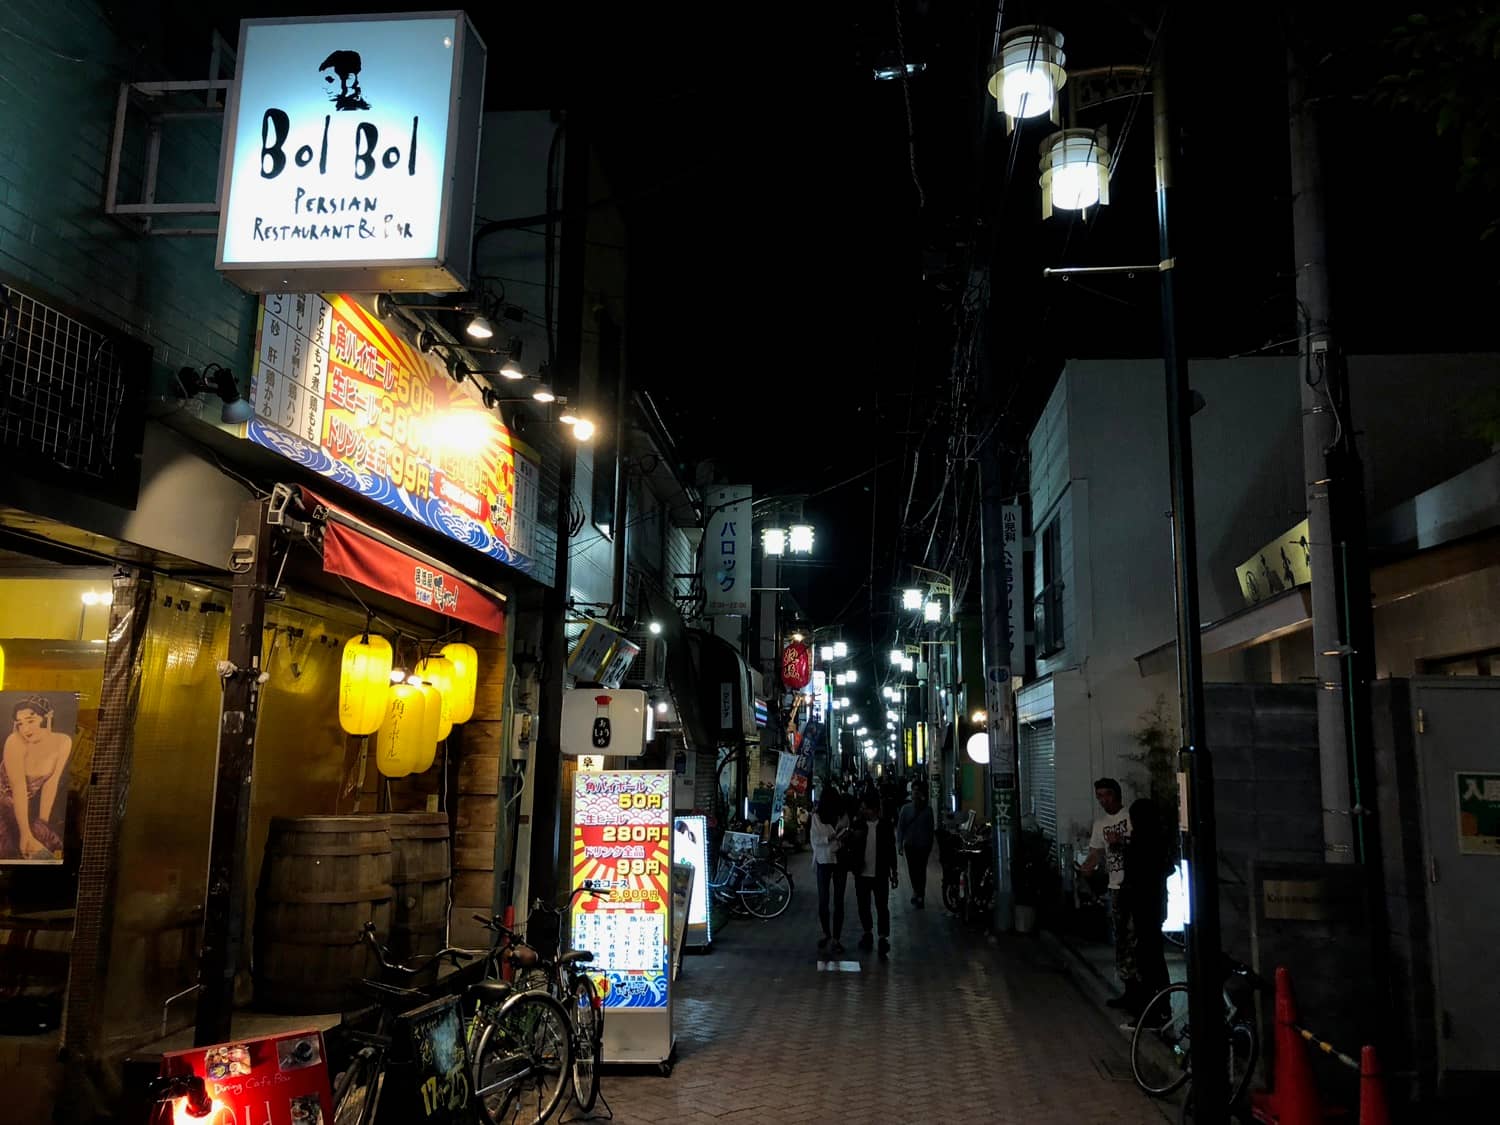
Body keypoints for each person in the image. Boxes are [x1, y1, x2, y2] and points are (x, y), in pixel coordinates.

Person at [1079, 777, 1133, 1009]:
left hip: (1132, 885)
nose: (1103, 800)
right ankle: (1129, 989)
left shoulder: (1130, 817)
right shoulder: (1100, 823)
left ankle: (1140, 991)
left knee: (1133, 938)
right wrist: (1087, 867)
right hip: (1115, 886)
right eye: (1099, 796)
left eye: (1107, 795)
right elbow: (1096, 852)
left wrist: (1122, 839)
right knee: (1121, 939)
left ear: (1116, 795)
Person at [1, 696, 73, 861]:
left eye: (30, 720)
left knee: (50, 845)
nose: (25, 729)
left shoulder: (63, 742)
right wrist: (26, 833)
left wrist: (42, 825)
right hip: (4, 804)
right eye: (20, 723)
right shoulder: (15, 742)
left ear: (47, 717)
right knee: (11, 849)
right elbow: (19, 788)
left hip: (23, 806)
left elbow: (51, 783)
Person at [1121, 798, 1171, 1019]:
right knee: (1154, 955)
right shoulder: (1159, 840)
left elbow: (1133, 875)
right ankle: (1161, 1005)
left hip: (1143, 904)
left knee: (1147, 957)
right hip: (1156, 903)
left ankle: (1151, 1010)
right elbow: (1166, 868)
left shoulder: (1140, 843)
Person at [848, 791, 897, 956]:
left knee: (882, 906)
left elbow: (891, 849)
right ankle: (867, 932)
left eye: (866, 808)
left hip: (880, 873)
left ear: (875, 809)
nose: (863, 811)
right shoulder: (858, 824)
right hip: (861, 873)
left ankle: (883, 937)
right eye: (862, 808)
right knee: (863, 905)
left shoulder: (885, 826)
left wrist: (894, 871)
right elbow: (851, 847)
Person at [809, 789, 851, 954]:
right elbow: (815, 840)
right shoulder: (817, 817)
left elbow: (846, 833)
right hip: (824, 860)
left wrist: (843, 837)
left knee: (838, 901)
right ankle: (827, 934)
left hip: (839, 860)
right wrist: (832, 838)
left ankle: (835, 938)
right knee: (824, 900)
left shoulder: (843, 816)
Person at [896, 781, 935, 908]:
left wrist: (930, 845)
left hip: (923, 846)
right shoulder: (905, 809)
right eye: (914, 790)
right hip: (910, 845)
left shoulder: (928, 810)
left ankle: (920, 895)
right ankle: (916, 891)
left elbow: (930, 829)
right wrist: (899, 844)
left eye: (918, 790)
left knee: (921, 870)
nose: (916, 793)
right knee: (913, 870)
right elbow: (900, 828)